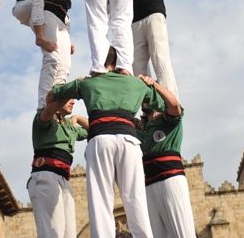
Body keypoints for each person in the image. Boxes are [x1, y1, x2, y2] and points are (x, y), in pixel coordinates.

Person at [45, 47, 160, 238]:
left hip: (100, 140)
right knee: (136, 199)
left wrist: (79, 83)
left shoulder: (88, 82)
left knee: (101, 201)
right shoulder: (136, 83)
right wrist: (150, 83)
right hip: (129, 141)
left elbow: (52, 95)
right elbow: (164, 105)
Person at [136, 75, 195, 238]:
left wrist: (154, 85)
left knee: (183, 233)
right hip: (148, 185)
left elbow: (174, 105)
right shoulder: (140, 128)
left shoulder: (167, 119)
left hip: (171, 179)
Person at [30, 0, 82, 109]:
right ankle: (42, 106)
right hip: (49, 12)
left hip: (63, 19)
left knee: (65, 64)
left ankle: (56, 103)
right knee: (52, 58)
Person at [28, 99, 89, 238]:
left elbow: (95, 129)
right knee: (52, 231)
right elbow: (48, 110)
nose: (73, 102)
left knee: (69, 233)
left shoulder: (69, 126)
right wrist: (57, 98)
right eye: (68, 98)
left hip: (64, 180)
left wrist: (78, 118)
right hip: (46, 175)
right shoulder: (44, 118)